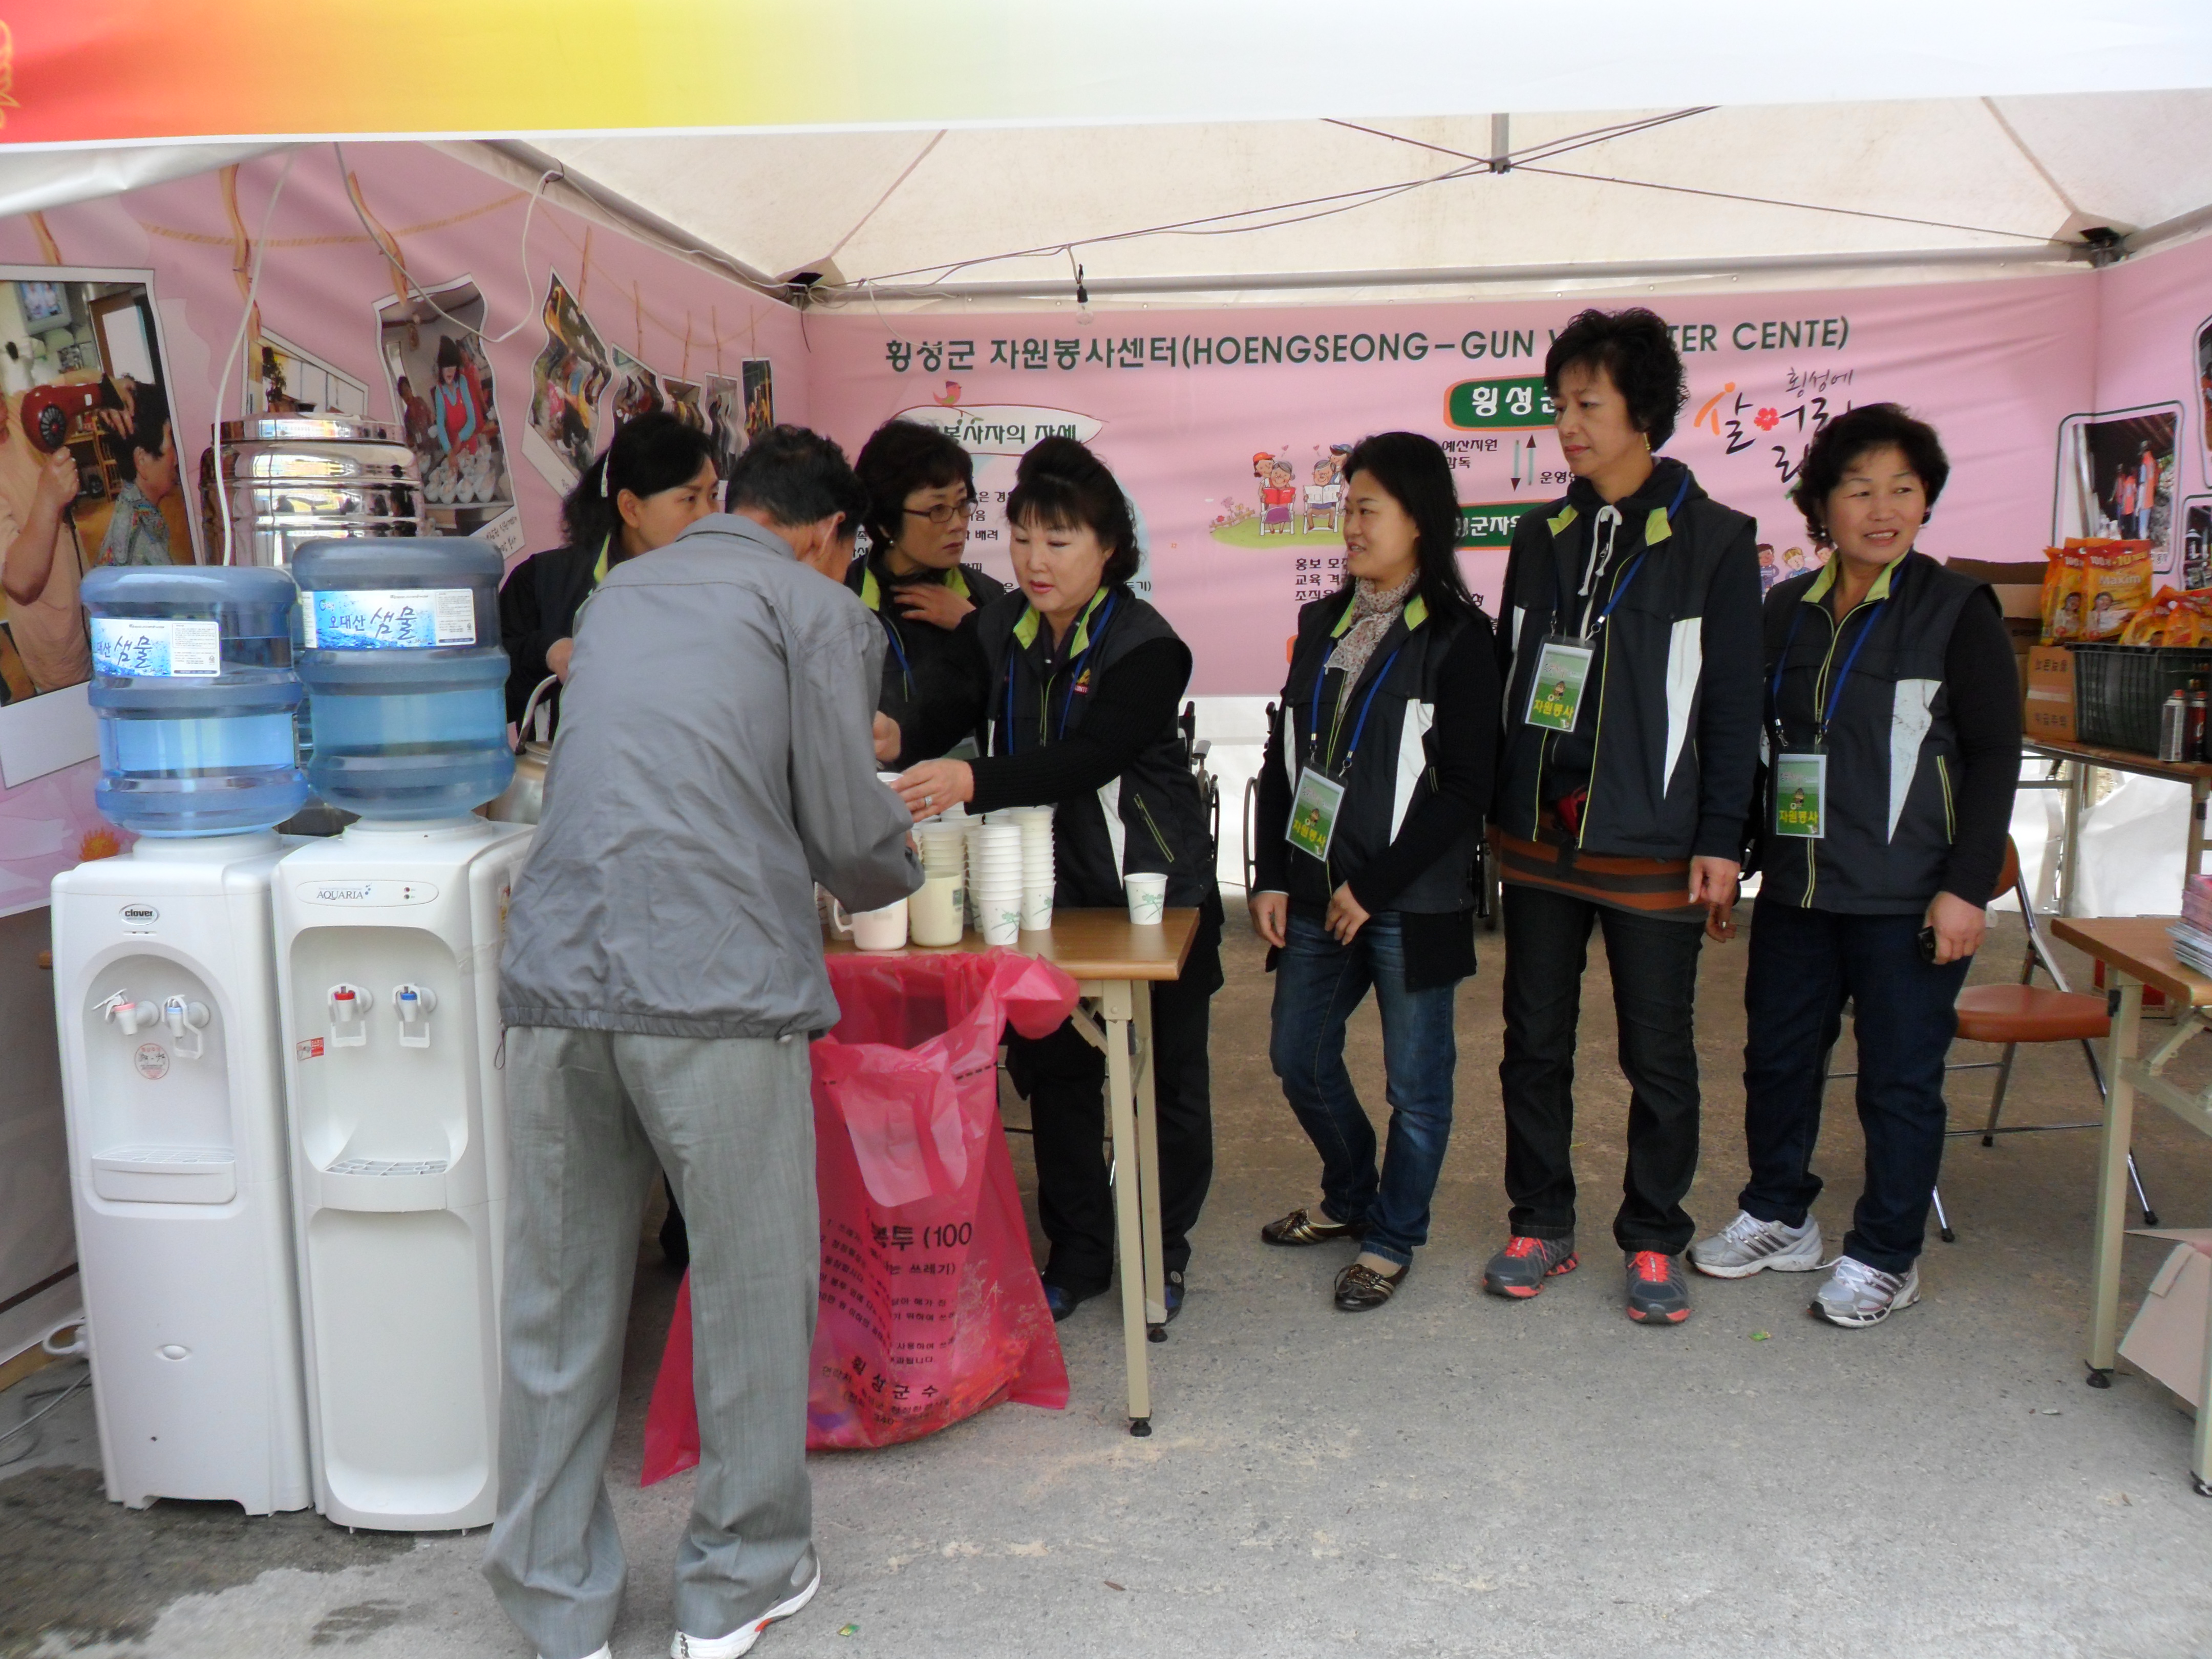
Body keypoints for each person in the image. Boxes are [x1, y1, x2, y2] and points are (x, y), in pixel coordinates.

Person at [486, 423, 916, 1659]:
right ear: (829, 535)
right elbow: (846, 830)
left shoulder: (620, 597)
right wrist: (897, 860)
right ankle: (738, 1579)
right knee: (747, 1284)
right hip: (716, 984)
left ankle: (556, 1600)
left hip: (558, 978)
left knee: (559, 1296)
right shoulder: (820, 612)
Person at [1690, 404, 2020, 1328]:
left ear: (1927, 502)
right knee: (1777, 1061)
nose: (1884, 510)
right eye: (1861, 489)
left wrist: (1964, 888)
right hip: (1800, 888)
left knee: (1898, 1083)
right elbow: (1752, 743)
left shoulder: (1957, 610)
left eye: (1904, 490)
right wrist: (1732, 854)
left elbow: (1995, 756)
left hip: (1909, 896)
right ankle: (1780, 1215)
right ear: (1822, 505)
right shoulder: (1785, 610)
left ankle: (1885, 1255)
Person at [892, 437, 1223, 1323]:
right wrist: (897, 734)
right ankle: (1078, 1255)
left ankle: (1161, 1248)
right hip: (1043, 896)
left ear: (1109, 548)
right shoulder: (1000, 627)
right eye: (1023, 538)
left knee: (1168, 1083)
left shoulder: (1149, 647)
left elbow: (1093, 755)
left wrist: (972, 780)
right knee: (1058, 1072)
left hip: (1154, 895)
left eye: (1060, 540)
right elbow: (946, 707)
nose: (1035, 560)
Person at [1486, 307, 1762, 1326]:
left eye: (1587, 405)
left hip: (1654, 842)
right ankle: (1541, 1220)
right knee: (1533, 1042)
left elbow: (1733, 704)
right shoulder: (1540, 536)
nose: (1566, 425)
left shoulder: (1717, 542)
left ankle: (1654, 1235)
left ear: (1642, 412)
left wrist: (1722, 839)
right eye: (1559, 406)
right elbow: (1514, 675)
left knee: (1658, 1055)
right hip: (1540, 838)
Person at [1250, 432, 1500, 1311]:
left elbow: (1467, 789)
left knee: (1417, 1089)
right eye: (1346, 508)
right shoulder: (1324, 622)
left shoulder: (1461, 639)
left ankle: (1392, 1239)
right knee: (1297, 1056)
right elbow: (1284, 758)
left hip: (1410, 899)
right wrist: (1272, 873)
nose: (1350, 525)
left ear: (1419, 520)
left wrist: (1376, 887)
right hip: (1319, 886)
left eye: (1368, 509)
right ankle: (1353, 1193)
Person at [499, 411, 720, 730]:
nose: (708, 515)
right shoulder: (542, 582)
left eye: (713, 496)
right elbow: (491, 698)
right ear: (631, 508)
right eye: (690, 499)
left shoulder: (726, 591)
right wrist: (546, 651)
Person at [846, 419, 1007, 768]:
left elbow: (1024, 701)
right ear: (886, 522)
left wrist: (975, 625)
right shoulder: (843, 598)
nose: (958, 523)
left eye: (962, 504)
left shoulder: (988, 597)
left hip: (967, 795)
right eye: (937, 510)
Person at [0, 436, 89, 693]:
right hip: (55, 648)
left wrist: (105, 405)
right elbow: (20, 584)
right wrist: (49, 499)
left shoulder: (17, 419)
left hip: (84, 615)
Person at [95, 383, 175, 569]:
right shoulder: (140, 555)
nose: (176, 459)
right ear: (142, 460)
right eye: (171, 440)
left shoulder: (139, 513)